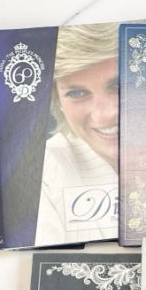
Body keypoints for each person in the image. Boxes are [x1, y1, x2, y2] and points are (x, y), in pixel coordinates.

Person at [36, 23, 120, 246]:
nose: (104, 115)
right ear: (57, 100)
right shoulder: (42, 172)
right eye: (77, 93)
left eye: (119, 85)